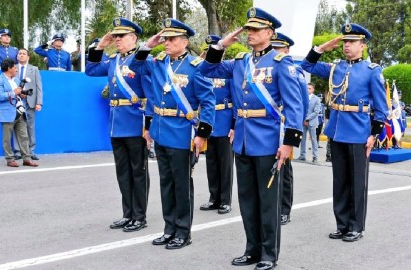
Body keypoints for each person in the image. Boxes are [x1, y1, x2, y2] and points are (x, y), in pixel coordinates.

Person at [200, 8, 303, 270]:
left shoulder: (281, 63)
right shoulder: (240, 62)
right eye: (248, 29)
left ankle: (269, 254)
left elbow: (294, 106)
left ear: (269, 33)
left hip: (268, 141)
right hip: (243, 141)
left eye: (256, 30)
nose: (250, 34)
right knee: (247, 200)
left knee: (268, 202)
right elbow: (206, 69)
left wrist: (289, 143)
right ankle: (251, 250)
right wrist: (222, 44)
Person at [130, 18, 215, 249]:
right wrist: (150, 44)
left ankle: (183, 232)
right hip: (160, 130)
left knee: (181, 184)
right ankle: (169, 229)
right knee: (166, 183)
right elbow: (133, 65)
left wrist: (202, 134)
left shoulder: (196, 66)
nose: (166, 43)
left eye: (171, 39)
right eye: (165, 39)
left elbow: (208, 101)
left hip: (182, 132)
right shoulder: (157, 62)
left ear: (185, 42)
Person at [301, 23, 387, 242]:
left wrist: (373, 135)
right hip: (337, 132)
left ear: (362, 45)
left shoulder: (371, 71)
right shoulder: (335, 67)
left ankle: (356, 226)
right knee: (339, 181)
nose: (346, 46)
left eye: (352, 42)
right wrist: (321, 48)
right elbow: (306, 65)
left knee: (358, 182)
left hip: (359, 133)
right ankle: (341, 224)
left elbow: (381, 108)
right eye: (345, 42)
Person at [86, 18, 152, 232]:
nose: (117, 40)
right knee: (123, 172)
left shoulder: (142, 60)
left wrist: (148, 125)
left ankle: (139, 216)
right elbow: (91, 70)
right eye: (115, 36)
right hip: (116, 123)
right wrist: (100, 46)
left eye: (121, 36)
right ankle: (128, 214)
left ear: (133, 38)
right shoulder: (113, 60)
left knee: (138, 172)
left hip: (135, 122)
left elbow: (150, 93)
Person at [270, 32, 309, 226]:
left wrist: (294, 130)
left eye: (278, 48)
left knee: (283, 171)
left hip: (284, 126)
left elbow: (301, 103)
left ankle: (284, 209)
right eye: (272, 47)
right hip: (268, 126)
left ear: (286, 50)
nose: (274, 51)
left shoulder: (294, 71)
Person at [199, 35, 234, 215]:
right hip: (209, 121)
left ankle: (225, 200)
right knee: (211, 163)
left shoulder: (228, 70)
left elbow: (237, 99)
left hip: (225, 121)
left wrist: (234, 125)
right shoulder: (202, 70)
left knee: (225, 164)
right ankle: (214, 198)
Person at [0, 58, 39, 168]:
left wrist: (22, 95)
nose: (16, 70)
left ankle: (26, 159)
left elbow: (18, 94)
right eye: (15, 68)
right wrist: (13, 93)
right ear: (9, 69)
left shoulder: (16, 80)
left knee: (24, 136)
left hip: (20, 111)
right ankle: (10, 159)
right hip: (7, 112)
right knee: (7, 137)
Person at [13, 48, 43, 161]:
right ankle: (17, 151)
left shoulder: (34, 69)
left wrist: (39, 102)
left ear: (28, 57)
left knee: (30, 126)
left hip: (30, 101)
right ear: (17, 56)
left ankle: (31, 151)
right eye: (19, 54)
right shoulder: (13, 69)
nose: (21, 55)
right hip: (17, 101)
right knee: (16, 125)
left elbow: (39, 87)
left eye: (24, 54)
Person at [297, 83, 320, 163]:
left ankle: (315, 157)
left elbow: (316, 111)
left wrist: (306, 119)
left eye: (309, 88)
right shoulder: (302, 97)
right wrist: (302, 119)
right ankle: (302, 155)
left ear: (313, 89)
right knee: (302, 139)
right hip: (303, 122)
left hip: (312, 122)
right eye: (307, 88)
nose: (307, 90)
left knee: (313, 139)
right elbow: (300, 108)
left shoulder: (316, 99)